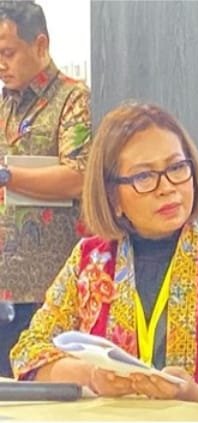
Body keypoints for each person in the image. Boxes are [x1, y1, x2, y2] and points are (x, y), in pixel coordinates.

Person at [10, 102, 198, 409]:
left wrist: (195, 393)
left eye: (176, 168)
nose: (167, 188)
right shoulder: (89, 260)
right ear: (113, 196)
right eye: (144, 177)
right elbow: (28, 352)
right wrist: (92, 376)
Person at [0, 1, 91, 376]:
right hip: (4, 285)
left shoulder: (73, 99)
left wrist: (7, 176)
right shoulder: (5, 105)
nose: (1, 64)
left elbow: (79, 175)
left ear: (40, 45)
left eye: (7, 53)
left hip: (46, 290)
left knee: (37, 393)